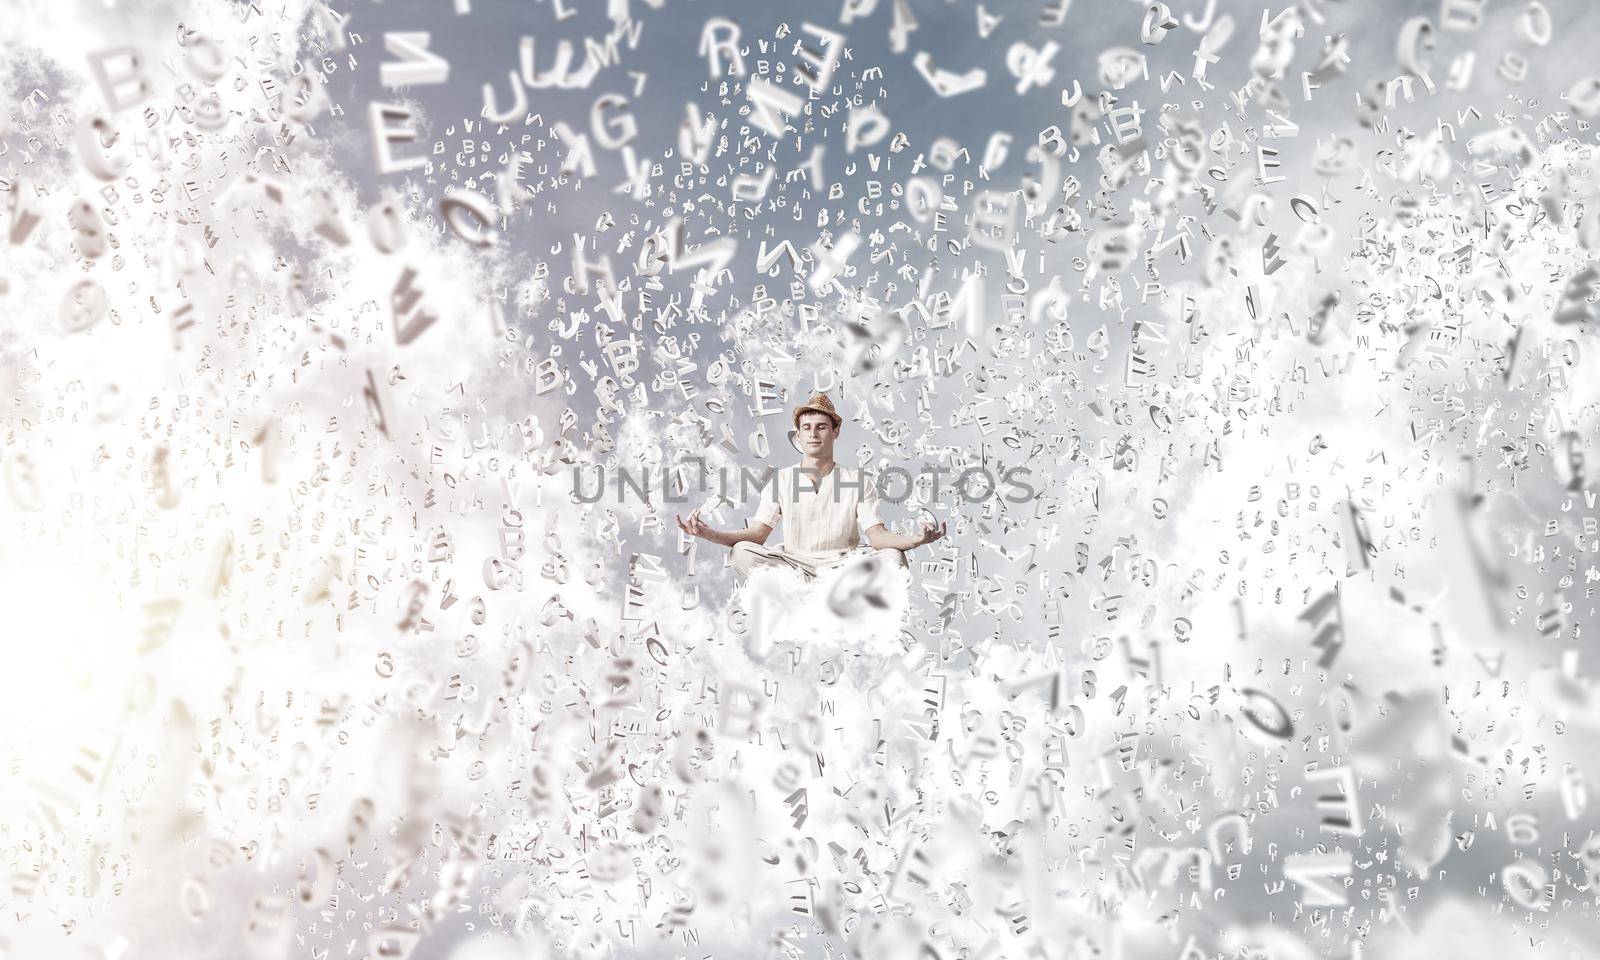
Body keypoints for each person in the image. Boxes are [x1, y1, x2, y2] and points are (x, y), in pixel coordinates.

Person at [675, 392, 946, 580]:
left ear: (835, 432)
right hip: (795, 567)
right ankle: (803, 595)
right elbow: (757, 535)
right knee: (741, 553)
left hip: (844, 567)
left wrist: (916, 540)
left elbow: (877, 537)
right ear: (798, 435)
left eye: (821, 427)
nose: (813, 434)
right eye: (806, 428)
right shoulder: (781, 480)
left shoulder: (858, 481)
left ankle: (842, 600)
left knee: (894, 559)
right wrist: (709, 534)